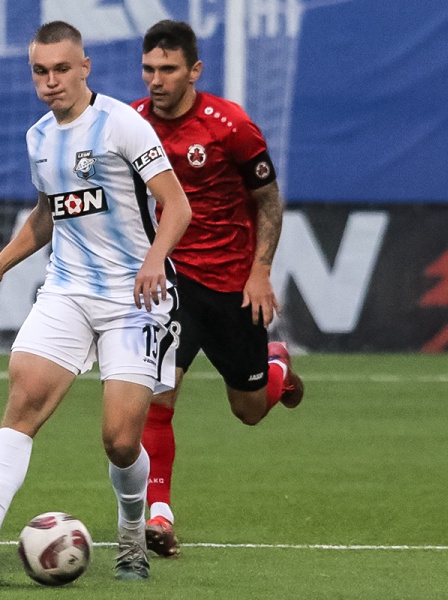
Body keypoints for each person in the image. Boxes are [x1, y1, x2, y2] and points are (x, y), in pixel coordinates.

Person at [0, 20, 191, 581]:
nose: (50, 81)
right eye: (40, 71)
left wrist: (155, 260)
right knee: (23, 396)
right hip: (67, 290)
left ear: (84, 68)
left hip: (134, 298)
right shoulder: (38, 138)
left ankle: (132, 537)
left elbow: (177, 206)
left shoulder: (123, 124)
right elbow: (48, 213)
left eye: (61, 69)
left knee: (120, 441)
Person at [131, 20, 305, 558]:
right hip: (172, 280)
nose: (156, 80)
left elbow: (268, 200)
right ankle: (159, 514)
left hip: (233, 284)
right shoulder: (132, 124)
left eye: (168, 69)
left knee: (248, 410)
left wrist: (260, 271)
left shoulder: (232, 126)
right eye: (149, 69)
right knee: (158, 395)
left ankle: (276, 368)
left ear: (194, 71)